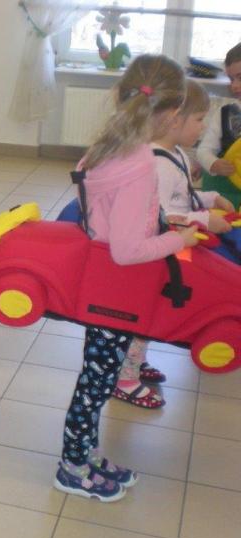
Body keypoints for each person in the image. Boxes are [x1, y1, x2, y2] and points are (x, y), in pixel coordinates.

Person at [54, 55, 199, 502]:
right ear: (173, 113)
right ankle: (73, 468)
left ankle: (86, 455)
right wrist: (178, 239)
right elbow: (128, 249)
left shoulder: (112, 146)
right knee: (95, 384)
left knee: (95, 380)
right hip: (117, 288)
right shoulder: (138, 164)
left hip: (106, 282)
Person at [112, 80, 235, 410]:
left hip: (167, 247)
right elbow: (165, 215)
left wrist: (211, 197)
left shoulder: (175, 153)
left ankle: (135, 362)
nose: (204, 126)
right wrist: (206, 220)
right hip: (153, 252)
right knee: (144, 314)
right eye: (199, 119)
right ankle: (125, 379)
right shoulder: (158, 164)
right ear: (174, 120)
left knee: (153, 311)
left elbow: (184, 197)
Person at [196, 42, 241, 208]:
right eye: (231, 79)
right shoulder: (225, 113)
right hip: (226, 197)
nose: (234, 85)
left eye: (240, 77)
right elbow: (203, 150)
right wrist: (213, 164)